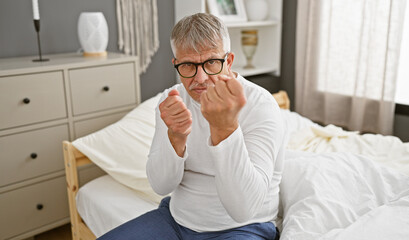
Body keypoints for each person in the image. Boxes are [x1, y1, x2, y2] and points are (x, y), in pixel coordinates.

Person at [97, 13, 285, 240]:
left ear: (229, 61)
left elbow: (244, 209)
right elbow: (161, 186)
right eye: (188, 65)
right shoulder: (172, 101)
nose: (200, 78)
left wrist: (224, 130)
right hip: (175, 221)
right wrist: (175, 138)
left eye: (212, 62)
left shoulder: (260, 106)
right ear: (176, 64)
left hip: (244, 227)